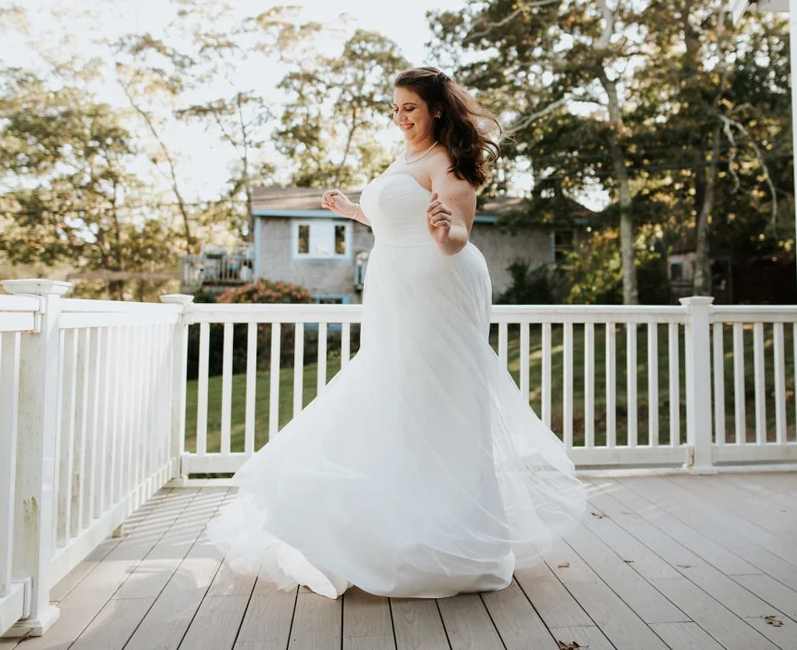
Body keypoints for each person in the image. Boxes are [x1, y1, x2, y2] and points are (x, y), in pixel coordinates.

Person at [204, 66, 588, 599]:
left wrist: (445, 233)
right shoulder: (406, 158)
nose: (400, 117)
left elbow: (456, 233)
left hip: (438, 283)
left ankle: (450, 536)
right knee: (395, 396)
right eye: (395, 109)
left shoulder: (450, 161)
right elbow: (397, 218)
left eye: (409, 107)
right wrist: (352, 211)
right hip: (394, 288)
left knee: (437, 399)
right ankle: (397, 525)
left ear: (434, 109)